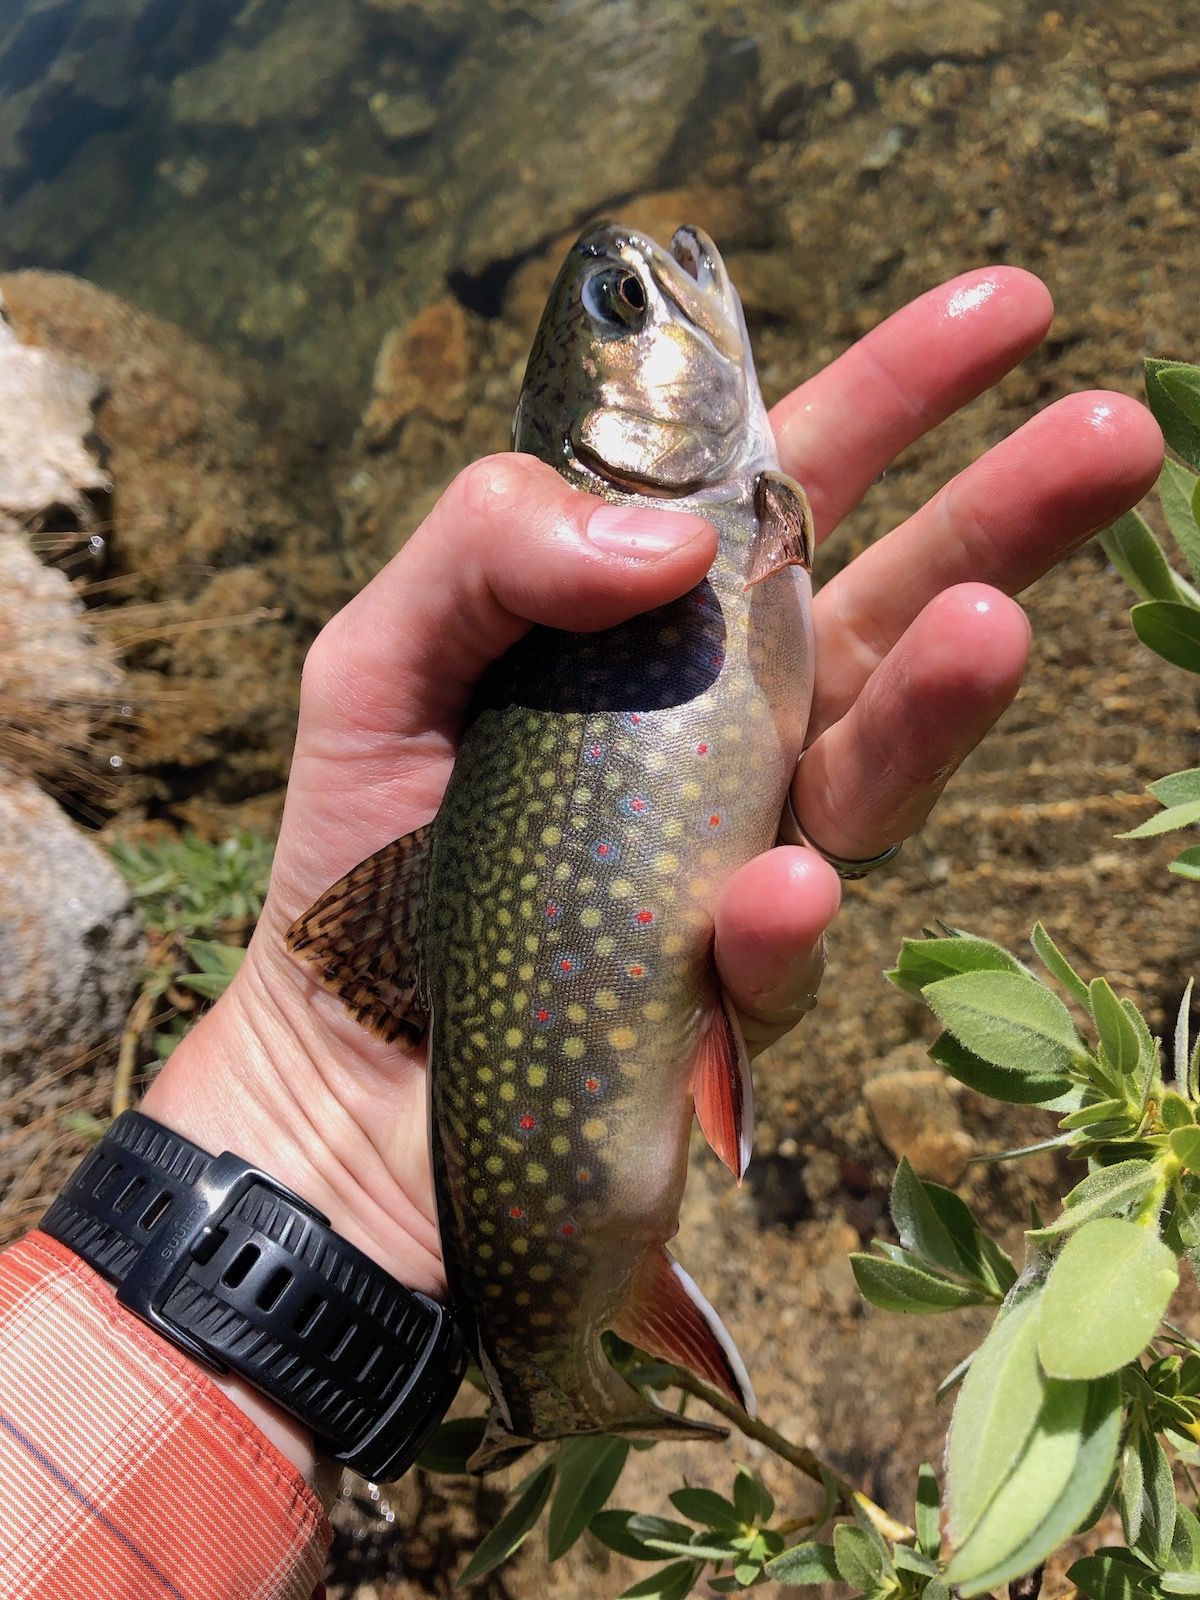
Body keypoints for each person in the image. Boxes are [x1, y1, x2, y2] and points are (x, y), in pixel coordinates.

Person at [0, 267, 1162, 1599]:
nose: (660, 281)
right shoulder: (666, 531)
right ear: (592, 439)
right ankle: (554, 1373)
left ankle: (549, 1368)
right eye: (625, 306)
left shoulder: (720, 511)